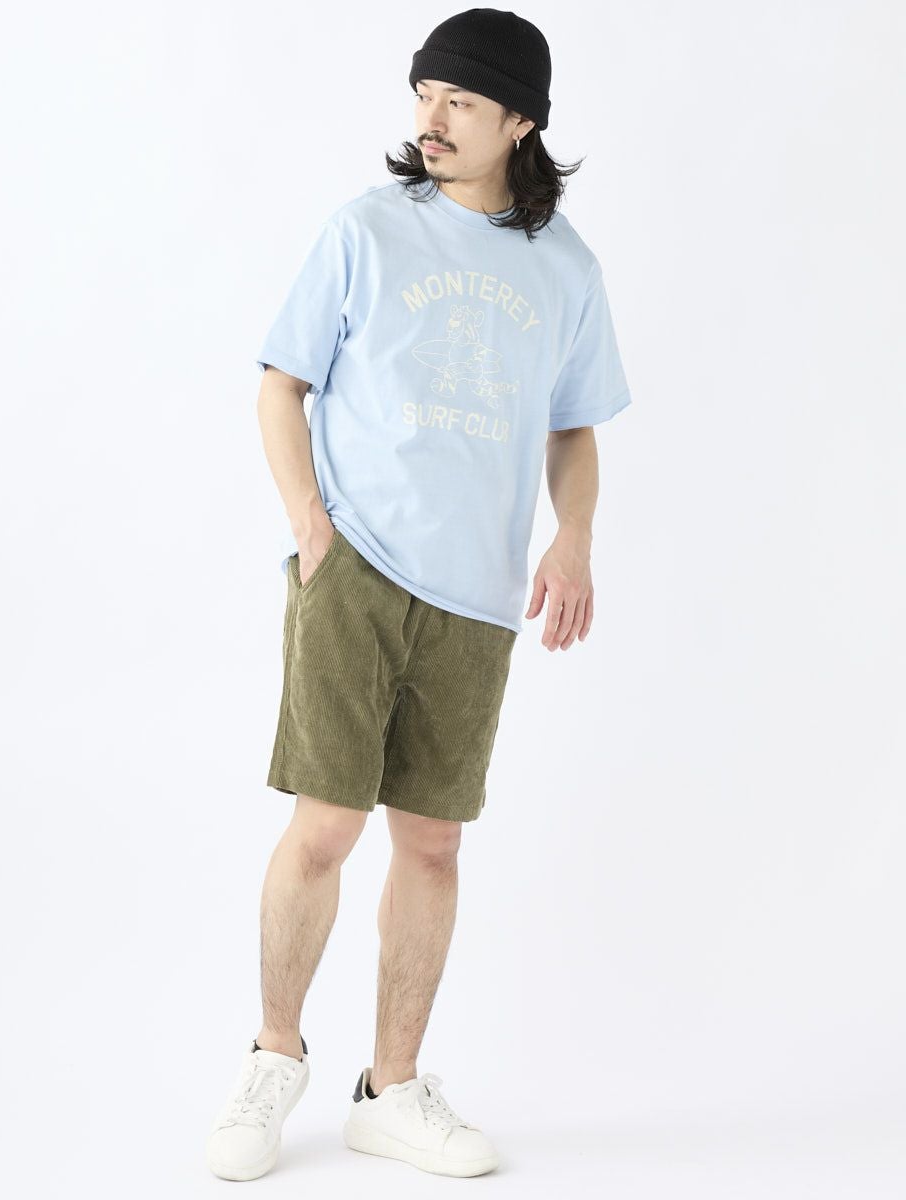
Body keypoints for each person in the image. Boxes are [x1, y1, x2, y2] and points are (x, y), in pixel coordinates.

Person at [206, 7, 632, 1182]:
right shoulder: (368, 228)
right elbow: (280, 384)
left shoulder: (567, 269)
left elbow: (574, 427)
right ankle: (272, 1057)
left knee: (433, 845)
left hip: (476, 599)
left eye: (461, 101)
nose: (430, 119)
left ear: (519, 122)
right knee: (325, 826)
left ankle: (389, 1088)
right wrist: (311, 527)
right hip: (354, 570)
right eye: (423, 94)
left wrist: (573, 538)